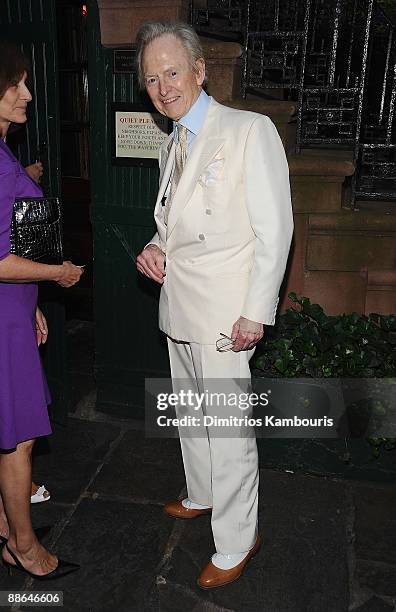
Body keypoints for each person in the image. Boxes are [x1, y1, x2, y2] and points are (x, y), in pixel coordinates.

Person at [136, 21, 294, 589]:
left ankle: (237, 537)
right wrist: (154, 248)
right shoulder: (171, 141)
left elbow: (275, 230)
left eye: (172, 72)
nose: (163, 86)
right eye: (152, 79)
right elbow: (171, 225)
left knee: (228, 431)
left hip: (228, 315)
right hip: (179, 305)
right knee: (191, 416)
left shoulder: (251, 130)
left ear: (200, 71)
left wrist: (257, 310)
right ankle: (201, 494)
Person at [0, 42, 82, 579]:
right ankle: (24, 549)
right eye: (16, 83)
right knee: (19, 436)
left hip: (12, 314)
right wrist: (56, 274)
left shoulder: (4, 150)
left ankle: (7, 529)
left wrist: (31, 307)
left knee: (6, 431)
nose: (27, 93)